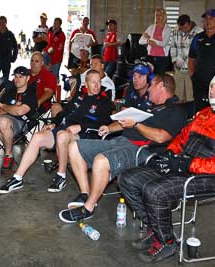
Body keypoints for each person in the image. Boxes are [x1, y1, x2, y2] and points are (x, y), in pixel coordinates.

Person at [118, 71, 215, 262]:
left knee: (154, 191)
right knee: (127, 179)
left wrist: (186, 163)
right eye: (211, 86)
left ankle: (167, 243)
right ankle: (156, 228)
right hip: (184, 167)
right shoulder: (204, 114)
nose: (212, 91)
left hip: (213, 177)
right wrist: (170, 153)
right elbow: (181, 138)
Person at [58, 73, 187, 223]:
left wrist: (136, 125)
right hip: (121, 141)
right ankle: (85, 193)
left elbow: (161, 137)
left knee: (101, 160)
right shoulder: (151, 108)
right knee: (74, 147)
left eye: (151, 85)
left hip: (141, 151)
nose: (149, 89)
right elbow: (125, 122)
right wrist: (109, 128)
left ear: (161, 86)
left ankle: (88, 208)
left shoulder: (176, 111)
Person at [0, 69, 112, 194]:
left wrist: (81, 126)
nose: (97, 86)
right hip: (65, 129)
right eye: (93, 82)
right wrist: (54, 123)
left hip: (86, 134)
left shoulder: (104, 100)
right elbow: (65, 112)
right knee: (37, 137)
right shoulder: (79, 96)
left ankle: (61, 176)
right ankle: (17, 177)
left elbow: (105, 121)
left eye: (99, 82)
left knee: (61, 135)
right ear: (86, 83)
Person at [51, 54, 115, 118]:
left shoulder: (108, 84)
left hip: (90, 108)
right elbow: (77, 78)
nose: (92, 67)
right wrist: (72, 93)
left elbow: (110, 104)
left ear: (102, 66)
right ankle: (54, 125)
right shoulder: (88, 72)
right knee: (55, 107)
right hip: (76, 101)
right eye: (91, 65)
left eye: (95, 64)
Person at [170, 14, 203, 102]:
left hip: (192, 69)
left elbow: (200, 52)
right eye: (181, 28)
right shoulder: (175, 31)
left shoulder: (199, 32)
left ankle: (190, 115)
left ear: (189, 23)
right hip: (178, 68)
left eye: (185, 28)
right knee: (177, 96)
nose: (183, 30)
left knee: (190, 96)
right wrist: (174, 60)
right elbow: (173, 47)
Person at [139, 8, 171, 74]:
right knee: (150, 77)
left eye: (160, 15)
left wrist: (150, 38)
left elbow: (163, 44)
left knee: (159, 78)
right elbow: (140, 41)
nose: (158, 17)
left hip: (162, 58)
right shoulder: (151, 27)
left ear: (164, 16)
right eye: (156, 15)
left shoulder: (168, 29)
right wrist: (148, 42)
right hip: (150, 56)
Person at [0, 16, 18, 89]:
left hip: (6, 60)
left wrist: (14, 58)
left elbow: (15, 47)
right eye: (0, 22)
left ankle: (5, 92)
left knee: (6, 78)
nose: (1, 24)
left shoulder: (10, 34)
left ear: (6, 23)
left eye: (3, 22)